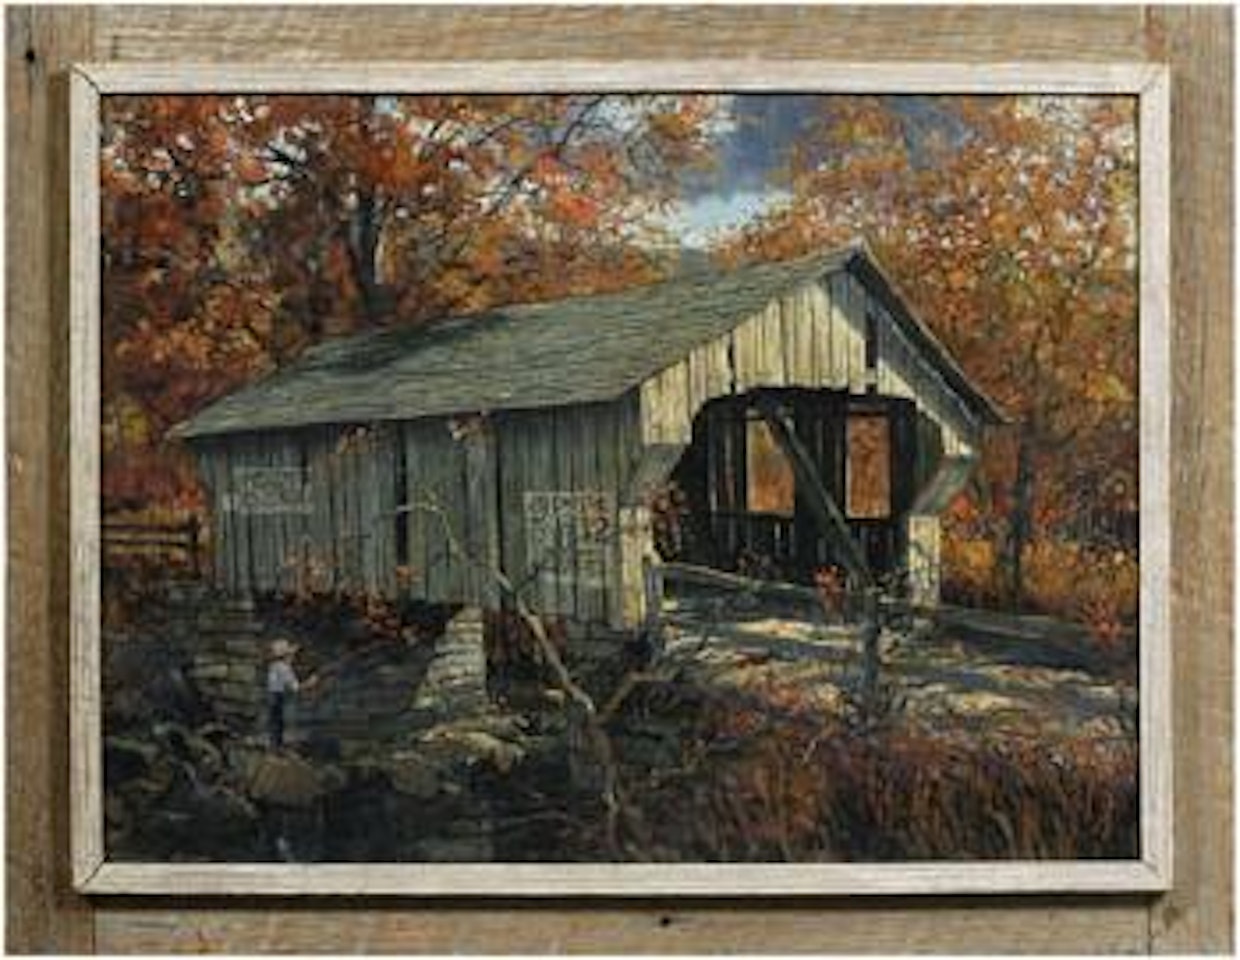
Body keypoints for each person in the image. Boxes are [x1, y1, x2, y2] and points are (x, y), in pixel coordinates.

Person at [266, 638, 316, 749]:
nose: (294, 658)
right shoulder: (284, 669)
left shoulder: (275, 666)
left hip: (273, 696)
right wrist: (310, 683)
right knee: (279, 722)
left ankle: (276, 746)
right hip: (278, 697)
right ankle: (276, 747)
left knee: (276, 722)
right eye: (291, 655)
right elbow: (295, 687)